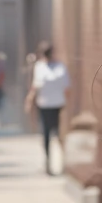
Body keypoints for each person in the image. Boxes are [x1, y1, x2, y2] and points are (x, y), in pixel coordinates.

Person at [27, 44, 70, 174]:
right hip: (46, 105)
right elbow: (36, 86)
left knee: (55, 134)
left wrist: (29, 101)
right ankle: (49, 163)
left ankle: (61, 162)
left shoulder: (57, 67)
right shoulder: (42, 67)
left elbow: (66, 88)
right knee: (48, 133)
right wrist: (30, 100)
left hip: (54, 105)